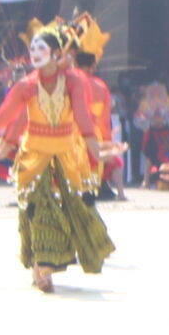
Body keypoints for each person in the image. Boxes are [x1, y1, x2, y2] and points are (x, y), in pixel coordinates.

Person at [0, 18, 113, 293]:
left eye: (40, 48)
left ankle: (44, 266)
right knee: (38, 211)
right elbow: (8, 116)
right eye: (32, 48)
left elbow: (82, 115)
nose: (35, 53)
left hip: (67, 158)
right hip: (35, 158)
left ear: (56, 53)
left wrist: (97, 148)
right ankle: (43, 267)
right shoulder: (26, 85)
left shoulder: (74, 81)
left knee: (69, 211)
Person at [66, 11, 127, 202]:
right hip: (95, 138)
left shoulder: (67, 82)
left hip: (70, 137)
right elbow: (104, 120)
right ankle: (118, 192)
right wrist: (107, 141)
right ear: (94, 62)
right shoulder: (101, 87)